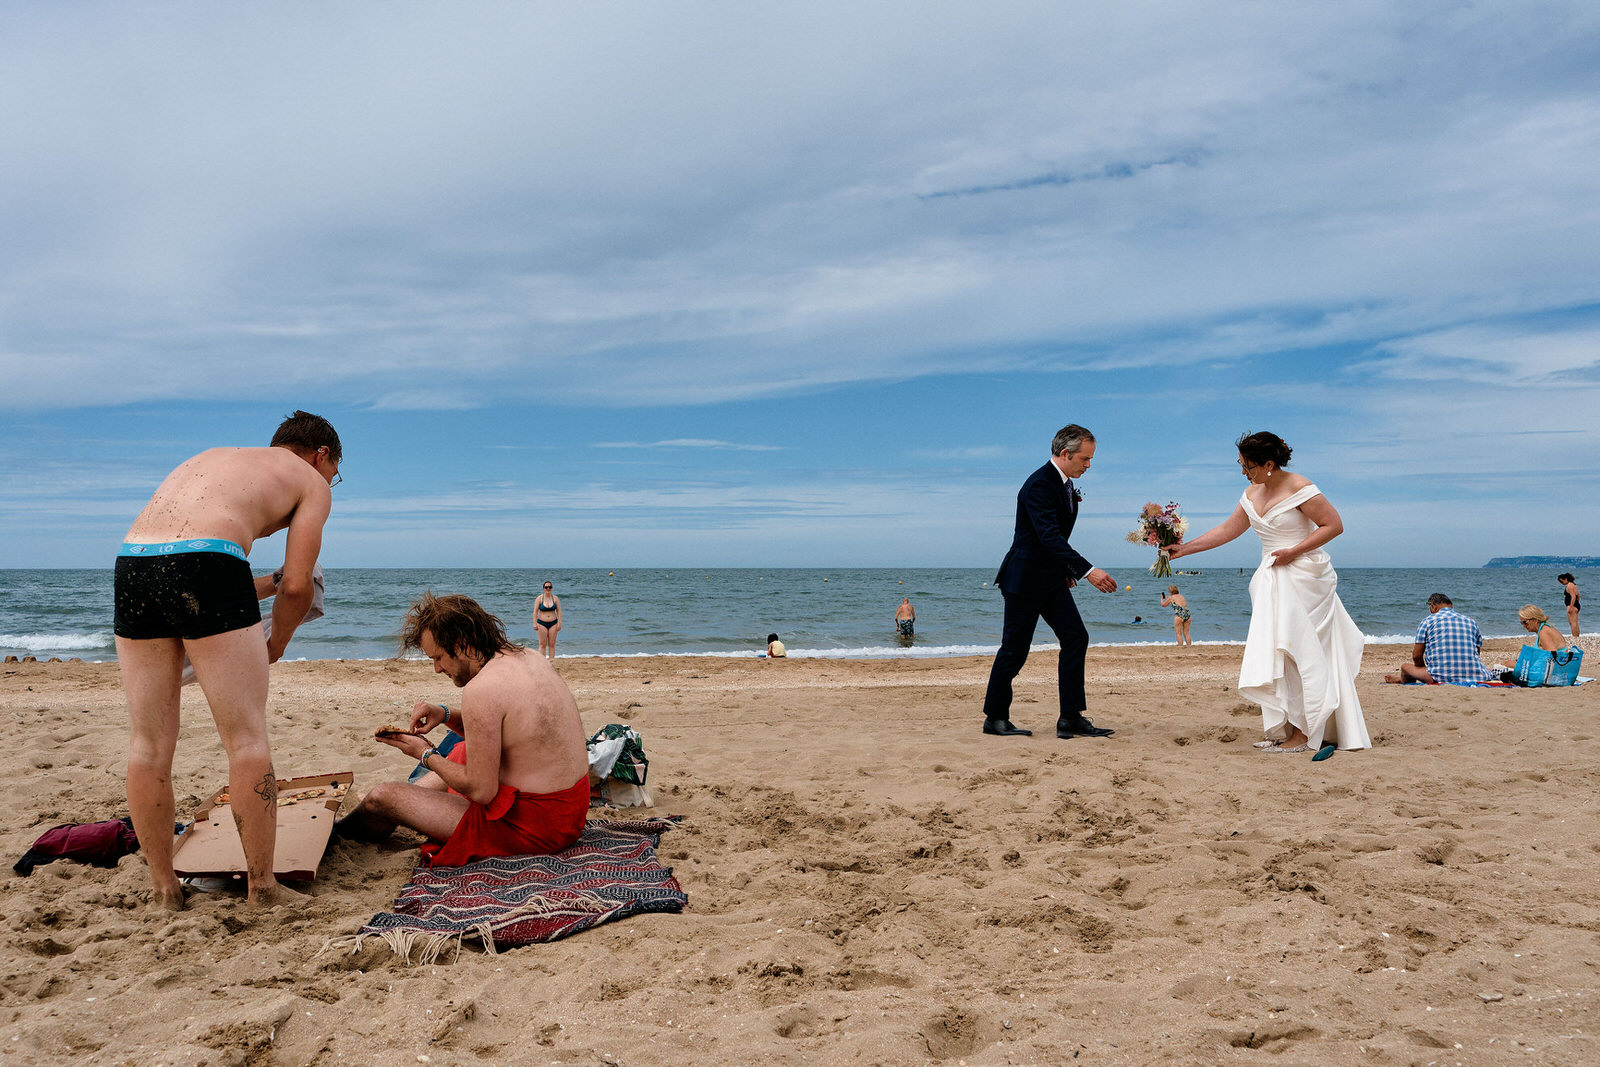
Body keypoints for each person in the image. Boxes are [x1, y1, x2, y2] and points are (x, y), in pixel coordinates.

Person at [115, 410, 341, 909]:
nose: (332, 483)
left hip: (134, 562)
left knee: (148, 742)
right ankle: (262, 888)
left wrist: (264, 591)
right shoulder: (311, 481)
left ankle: (163, 891)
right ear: (320, 455)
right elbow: (299, 584)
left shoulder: (216, 461)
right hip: (208, 563)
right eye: (335, 472)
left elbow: (196, 571)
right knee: (245, 739)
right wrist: (277, 640)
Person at [339, 593, 589, 865]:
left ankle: (338, 836)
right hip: (571, 811)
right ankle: (410, 801)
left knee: (383, 797)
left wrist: (425, 754)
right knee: (461, 752)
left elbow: (482, 792)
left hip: (536, 828)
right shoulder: (528, 657)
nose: (436, 669)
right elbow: (510, 730)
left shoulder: (480, 690)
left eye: (438, 658)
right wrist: (445, 714)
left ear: (461, 644)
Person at [1167, 431, 1369, 755]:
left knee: (1298, 652)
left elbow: (1333, 525)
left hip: (1303, 578)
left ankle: (1304, 733)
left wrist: (1294, 551)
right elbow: (1227, 530)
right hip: (1270, 580)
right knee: (1275, 653)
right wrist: (1183, 549)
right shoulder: (1250, 492)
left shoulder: (1301, 488)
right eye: (1241, 464)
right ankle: (1285, 727)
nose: (1243, 472)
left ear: (1269, 464)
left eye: (1248, 466)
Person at [981, 424, 1119, 739]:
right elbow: (1047, 536)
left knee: (1075, 638)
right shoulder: (1038, 486)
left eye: (1090, 459)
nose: (1088, 465)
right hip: (1024, 579)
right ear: (1065, 453)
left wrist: (1066, 570)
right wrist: (1088, 571)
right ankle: (995, 717)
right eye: (1085, 459)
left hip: (1052, 578)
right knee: (1015, 650)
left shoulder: (1066, 485)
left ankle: (1070, 717)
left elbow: (1053, 539)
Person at [1382, 594, 1495, 685]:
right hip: (1476, 674)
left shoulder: (1427, 621)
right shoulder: (1471, 622)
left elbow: (1416, 656)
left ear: (1433, 606)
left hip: (1441, 675)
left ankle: (1402, 681)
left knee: (1405, 667)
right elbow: (1476, 652)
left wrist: (1422, 670)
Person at [533, 580, 562, 660]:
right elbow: (535, 612)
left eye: (550, 587)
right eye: (546, 587)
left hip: (553, 623)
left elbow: (559, 612)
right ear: (543, 588)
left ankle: (552, 661)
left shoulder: (555, 598)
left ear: (552, 588)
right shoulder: (539, 598)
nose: (548, 588)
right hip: (541, 623)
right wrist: (534, 623)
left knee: (552, 644)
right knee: (542, 644)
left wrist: (559, 623)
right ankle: (542, 662)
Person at [1558, 573, 1581, 640]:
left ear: (1566, 579)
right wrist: (1577, 604)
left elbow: (1573, 597)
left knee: (1572, 623)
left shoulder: (1569, 586)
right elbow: (1578, 596)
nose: (1561, 583)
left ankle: (1574, 637)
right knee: (1575, 622)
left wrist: (1571, 607)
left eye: (1561, 581)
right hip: (1576, 605)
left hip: (1572, 606)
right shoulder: (1574, 585)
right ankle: (1577, 637)